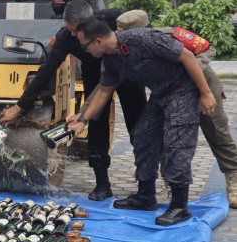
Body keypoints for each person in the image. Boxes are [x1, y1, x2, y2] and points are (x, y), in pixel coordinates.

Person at [68, 16, 216, 226]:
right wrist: (83, 120)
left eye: (85, 45)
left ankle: (180, 206)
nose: (85, 50)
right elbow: (104, 90)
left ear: (98, 41)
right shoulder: (110, 59)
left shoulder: (143, 38)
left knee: (177, 144)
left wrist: (206, 93)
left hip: (184, 89)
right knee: (143, 135)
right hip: (160, 93)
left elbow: (188, 57)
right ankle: (146, 196)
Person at [0, 0, 148, 201]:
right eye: (68, 29)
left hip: (127, 73)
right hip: (95, 75)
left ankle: (146, 187)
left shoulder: (114, 19)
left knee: (139, 125)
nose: (72, 34)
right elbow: (45, 72)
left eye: (75, 29)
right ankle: (102, 185)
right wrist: (20, 107)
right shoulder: (66, 37)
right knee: (96, 125)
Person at [116, 9, 237, 208]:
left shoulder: (171, 35)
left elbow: (208, 48)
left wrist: (192, 67)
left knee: (217, 133)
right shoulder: (126, 49)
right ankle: (170, 185)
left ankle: (233, 179)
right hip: (168, 93)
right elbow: (108, 82)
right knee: (165, 137)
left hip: (203, 88)